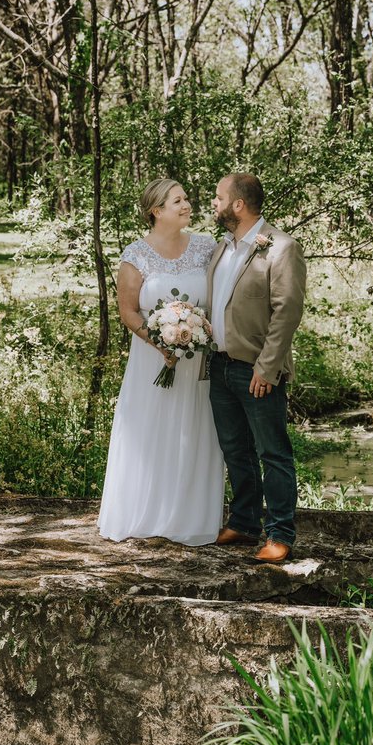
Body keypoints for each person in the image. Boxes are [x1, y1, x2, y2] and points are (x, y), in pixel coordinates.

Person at [97, 179, 225, 546]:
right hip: (151, 361)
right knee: (149, 431)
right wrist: (160, 340)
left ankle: (188, 517)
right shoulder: (136, 254)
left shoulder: (205, 248)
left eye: (186, 198)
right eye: (178, 200)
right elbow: (128, 311)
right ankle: (143, 514)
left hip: (196, 361)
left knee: (193, 431)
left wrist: (194, 331)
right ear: (157, 210)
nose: (187, 204)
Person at [206, 173, 306, 563]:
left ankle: (280, 534)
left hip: (257, 370)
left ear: (238, 205)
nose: (213, 204)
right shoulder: (221, 249)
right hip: (220, 366)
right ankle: (245, 521)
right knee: (235, 449)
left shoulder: (282, 248)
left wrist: (267, 368)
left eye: (218, 198)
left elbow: (287, 313)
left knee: (273, 453)